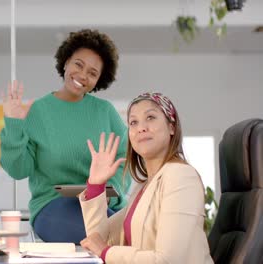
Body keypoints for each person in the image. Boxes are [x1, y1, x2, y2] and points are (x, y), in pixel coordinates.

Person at [0, 29, 131, 243]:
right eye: (78, 64)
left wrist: (111, 191)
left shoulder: (105, 112)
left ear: (99, 80)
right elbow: (17, 169)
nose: (82, 75)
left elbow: (126, 157)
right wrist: (14, 125)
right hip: (52, 206)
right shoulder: (38, 111)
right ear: (66, 62)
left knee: (128, 237)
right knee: (106, 239)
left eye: (92, 73)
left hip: (98, 202)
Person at [79, 92, 213, 263]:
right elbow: (99, 240)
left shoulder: (181, 176)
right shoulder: (143, 187)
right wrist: (96, 185)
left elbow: (168, 260)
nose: (141, 127)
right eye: (133, 122)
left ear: (172, 127)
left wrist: (106, 252)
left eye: (150, 117)